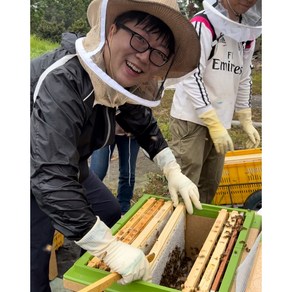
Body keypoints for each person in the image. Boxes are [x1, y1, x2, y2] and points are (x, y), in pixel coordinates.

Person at [30, 0, 202, 291]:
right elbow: (50, 178)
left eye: (158, 53)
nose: (145, 56)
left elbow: (142, 122)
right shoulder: (63, 80)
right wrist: (109, 249)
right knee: (33, 257)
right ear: (111, 30)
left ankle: (89, 274)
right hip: (31, 171)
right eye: (139, 38)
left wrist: (172, 169)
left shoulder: (116, 80)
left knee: (109, 212)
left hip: (68, 169)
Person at [167, 0, 262, 204]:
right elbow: (191, 75)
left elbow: (244, 76)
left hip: (221, 122)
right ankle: (177, 232)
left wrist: (245, 117)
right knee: (187, 185)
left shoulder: (247, 34)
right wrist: (211, 120)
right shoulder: (202, 24)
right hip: (191, 121)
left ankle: (198, 231)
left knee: (210, 185)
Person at [90, 122, 140, 215]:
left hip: (131, 130)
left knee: (128, 174)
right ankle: (88, 210)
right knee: (96, 173)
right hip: (104, 130)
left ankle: (123, 211)